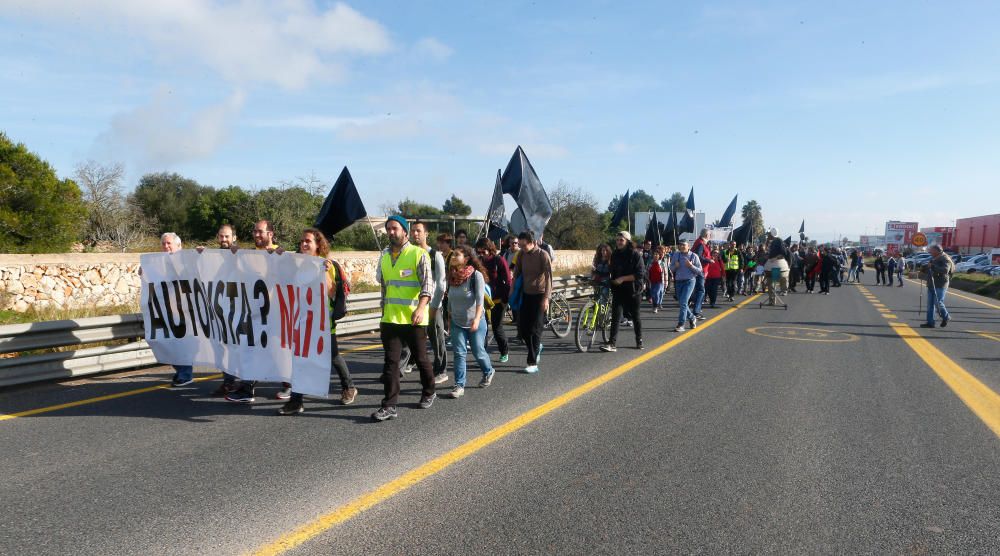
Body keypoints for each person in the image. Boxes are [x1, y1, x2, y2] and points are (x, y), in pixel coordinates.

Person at [278, 229, 358, 415]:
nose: (304, 244)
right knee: (299, 361)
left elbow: (331, 293)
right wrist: (277, 256)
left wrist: (326, 272)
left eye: (308, 241)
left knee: (333, 357)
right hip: (301, 323)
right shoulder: (298, 266)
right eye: (302, 241)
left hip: (322, 323)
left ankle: (349, 386)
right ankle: (296, 401)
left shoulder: (327, 266)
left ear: (317, 245)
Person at [372, 215, 436, 422]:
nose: (391, 232)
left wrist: (421, 308)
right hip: (390, 319)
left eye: (395, 228)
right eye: (388, 229)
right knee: (391, 363)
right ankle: (389, 405)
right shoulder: (384, 256)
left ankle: (429, 391)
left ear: (405, 232)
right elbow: (383, 285)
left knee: (421, 358)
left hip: (414, 318)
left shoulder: (419, 254)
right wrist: (383, 312)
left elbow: (428, 285)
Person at [226, 220, 284, 403]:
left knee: (278, 352)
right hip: (254, 313)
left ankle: (291, 385)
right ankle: (246, 389)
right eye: (254, 231)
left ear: (271, 234)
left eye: (260, 231)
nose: (256, 234)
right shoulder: (249, 255)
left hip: (275, 314)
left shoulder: (281, 253)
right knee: (249, 350)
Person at [399, 222, 449, 384]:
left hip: (432, 306)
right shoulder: (408, 254)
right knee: (408, 338)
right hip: (413, 305)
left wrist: (434, 306)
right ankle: (401, 366)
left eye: (418, 231)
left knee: (436, 339)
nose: (415, 234)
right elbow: (405, 274)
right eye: (412, 231)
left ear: (426, 234)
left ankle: (441, 369)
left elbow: (441, 284)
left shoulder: (435, 255)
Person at [445, 245, 497, 398]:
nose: (453, 257)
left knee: (478, 352)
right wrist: (449, 319)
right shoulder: (452, 276)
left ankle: (488, 371)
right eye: (453, 254)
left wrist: (476, 320)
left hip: (476, 321)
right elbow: (450, 301)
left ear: (466, 259)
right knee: (459, 353)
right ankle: (459, 385)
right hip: (457, 322)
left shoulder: (476, 276)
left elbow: (480, 301)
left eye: (457, 255)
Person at [153, 232, 195, 387]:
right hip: (166, 310)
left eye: (169, 243)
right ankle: (182, 371)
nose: (166, 246)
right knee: (170, 342)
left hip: (186, 310)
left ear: (179, 245)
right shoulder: (158, 263)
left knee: (182, 342)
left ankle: (185, 373)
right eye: (163, 243)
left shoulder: (187, 261)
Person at [513, 230, 552, 373]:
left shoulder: (543, 255)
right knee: (523, 330)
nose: (521, 248)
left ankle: (532, 362)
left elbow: (549, 278)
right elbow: (516, 274)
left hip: (540, 295)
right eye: (520, 245)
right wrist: (512, 291)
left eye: (524, 245)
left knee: (535, 329)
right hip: (525, 294)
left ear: (533, 242)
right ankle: (536, 348)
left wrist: (546, 298)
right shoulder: (521, 255)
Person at [601, 231, 644, 351]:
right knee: (615, 316)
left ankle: (639, 340)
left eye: (622, 240)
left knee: (635, 316)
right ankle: (612, 343)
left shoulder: (635, 255)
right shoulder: (615, 254)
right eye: (617, 240)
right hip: (618, 290)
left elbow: (640, 274)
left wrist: (623, 278)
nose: (619, 242)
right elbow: (612, 270)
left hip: (633, 290)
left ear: (627, 241)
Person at [476, 238, 511, 363]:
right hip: (484, 300)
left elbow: (507, 281)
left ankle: (504, 351)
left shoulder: (499, 260)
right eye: (478, 252)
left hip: (498, 300)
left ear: (490, 249)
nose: (481, 255)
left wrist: (505, 300)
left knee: (496, 327)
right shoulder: (479, 262)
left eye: (483, 252)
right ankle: (482, 353)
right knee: (482, 328)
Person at [670, 239, 702, 332]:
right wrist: (675, 266)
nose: (682, 246)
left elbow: (700, 271)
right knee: (682, 303)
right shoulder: (676, 255)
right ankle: (692, 318)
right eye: (680, 245)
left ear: (688, 246)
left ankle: (681, 324)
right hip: (679, 281)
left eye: (684, 245)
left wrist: (691, 266)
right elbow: (671, 269)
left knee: (683, 302)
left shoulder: (693, 256)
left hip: (689, 281)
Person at [919, 245, 954, 328]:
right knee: (930, 304)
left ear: (937, 251)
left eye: (931, 250)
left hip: (940, 284)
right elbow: (931, 269)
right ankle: (930, 322)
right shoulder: (934, 258)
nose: (930, 252)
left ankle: (946, 317)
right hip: (931, 283)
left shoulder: (945, 258)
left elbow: (945, 270)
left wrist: (933, 266)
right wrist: (924, 269)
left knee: (938, 303)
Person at [763, 228, 789, 306]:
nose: (768, 235)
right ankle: (772, 300)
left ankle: (773, 300)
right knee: (771, 284)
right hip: (773, 267)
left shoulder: (778, 241)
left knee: (772, 284)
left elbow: (784, 252)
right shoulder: (773, 241)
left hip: (775, 267)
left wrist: (775, 258)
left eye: (769, 234)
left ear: (772, 234)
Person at [689, 228, 711, 320]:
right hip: (699, 270)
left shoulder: (700, 242)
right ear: (706, 235)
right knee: (700, 290)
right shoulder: (701, 244)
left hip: (699, 269)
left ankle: (694, 306)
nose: (710, 237)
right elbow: (698, 256)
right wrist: (708, 260)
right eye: (709, 235)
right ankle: (696, 312)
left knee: (697, 289)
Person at [648, 245, 667, 312]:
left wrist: (666, 282)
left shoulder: (662, 263)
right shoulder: (650, 263)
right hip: (652, 281)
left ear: (659, 256)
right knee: (653, 294)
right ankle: (655, 304)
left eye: (657, 254)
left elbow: (665, 273)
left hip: (660, 281)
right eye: (654, 254)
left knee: (656, 293)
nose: (655, 255)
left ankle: (656, 306)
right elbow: (647, 271)